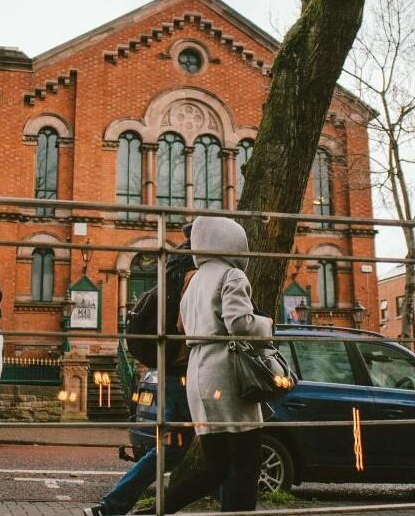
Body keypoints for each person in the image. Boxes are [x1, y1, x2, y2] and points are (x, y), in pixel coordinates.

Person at [162, 216, 273, 513]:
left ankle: (160, 509)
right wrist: (266, 325)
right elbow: (239, 323)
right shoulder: (231, 275)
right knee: (247, 463)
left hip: (198, 372)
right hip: (226, 374)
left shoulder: (194, 280)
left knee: (216, 466)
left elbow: (184, 325)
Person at [83, 226, 195, 516]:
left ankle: (115, 507)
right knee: (221, 446)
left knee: (174, 449)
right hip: (191, 377)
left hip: (170, 374)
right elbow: (188, 327)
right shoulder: (193, 275)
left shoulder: (170, 271)